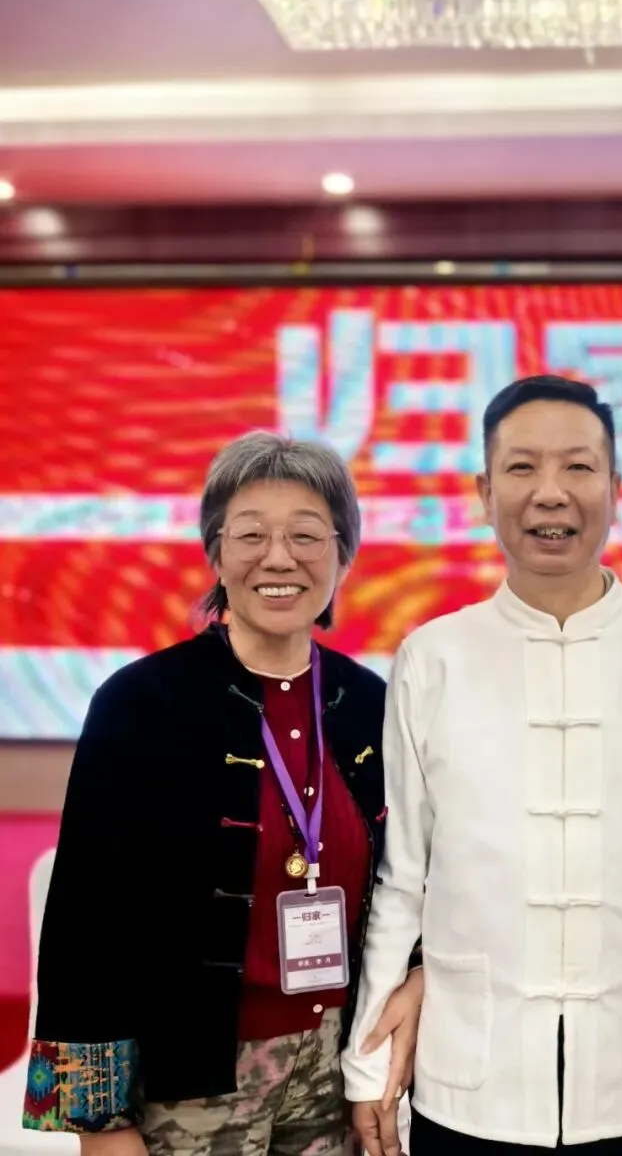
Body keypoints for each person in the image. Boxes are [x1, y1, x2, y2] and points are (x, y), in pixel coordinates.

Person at [343, 373, 622, 1156]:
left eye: (578, 467)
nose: (550, 492)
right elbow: (403, 877)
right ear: (485, 491)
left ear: (617, 488)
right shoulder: (433, 657)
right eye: (522, 467)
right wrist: (368, 1064)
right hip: (472, 1076)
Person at [23, 429, 423, 1155]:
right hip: (189, 1079)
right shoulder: (142, 703)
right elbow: (86, 924)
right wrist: (97, 1123)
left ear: (343, 555)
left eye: (307, 535)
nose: (279, 558)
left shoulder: (372, 703)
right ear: (215, 551)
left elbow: (414, 879)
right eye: (251, 534)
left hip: (341, 1074)